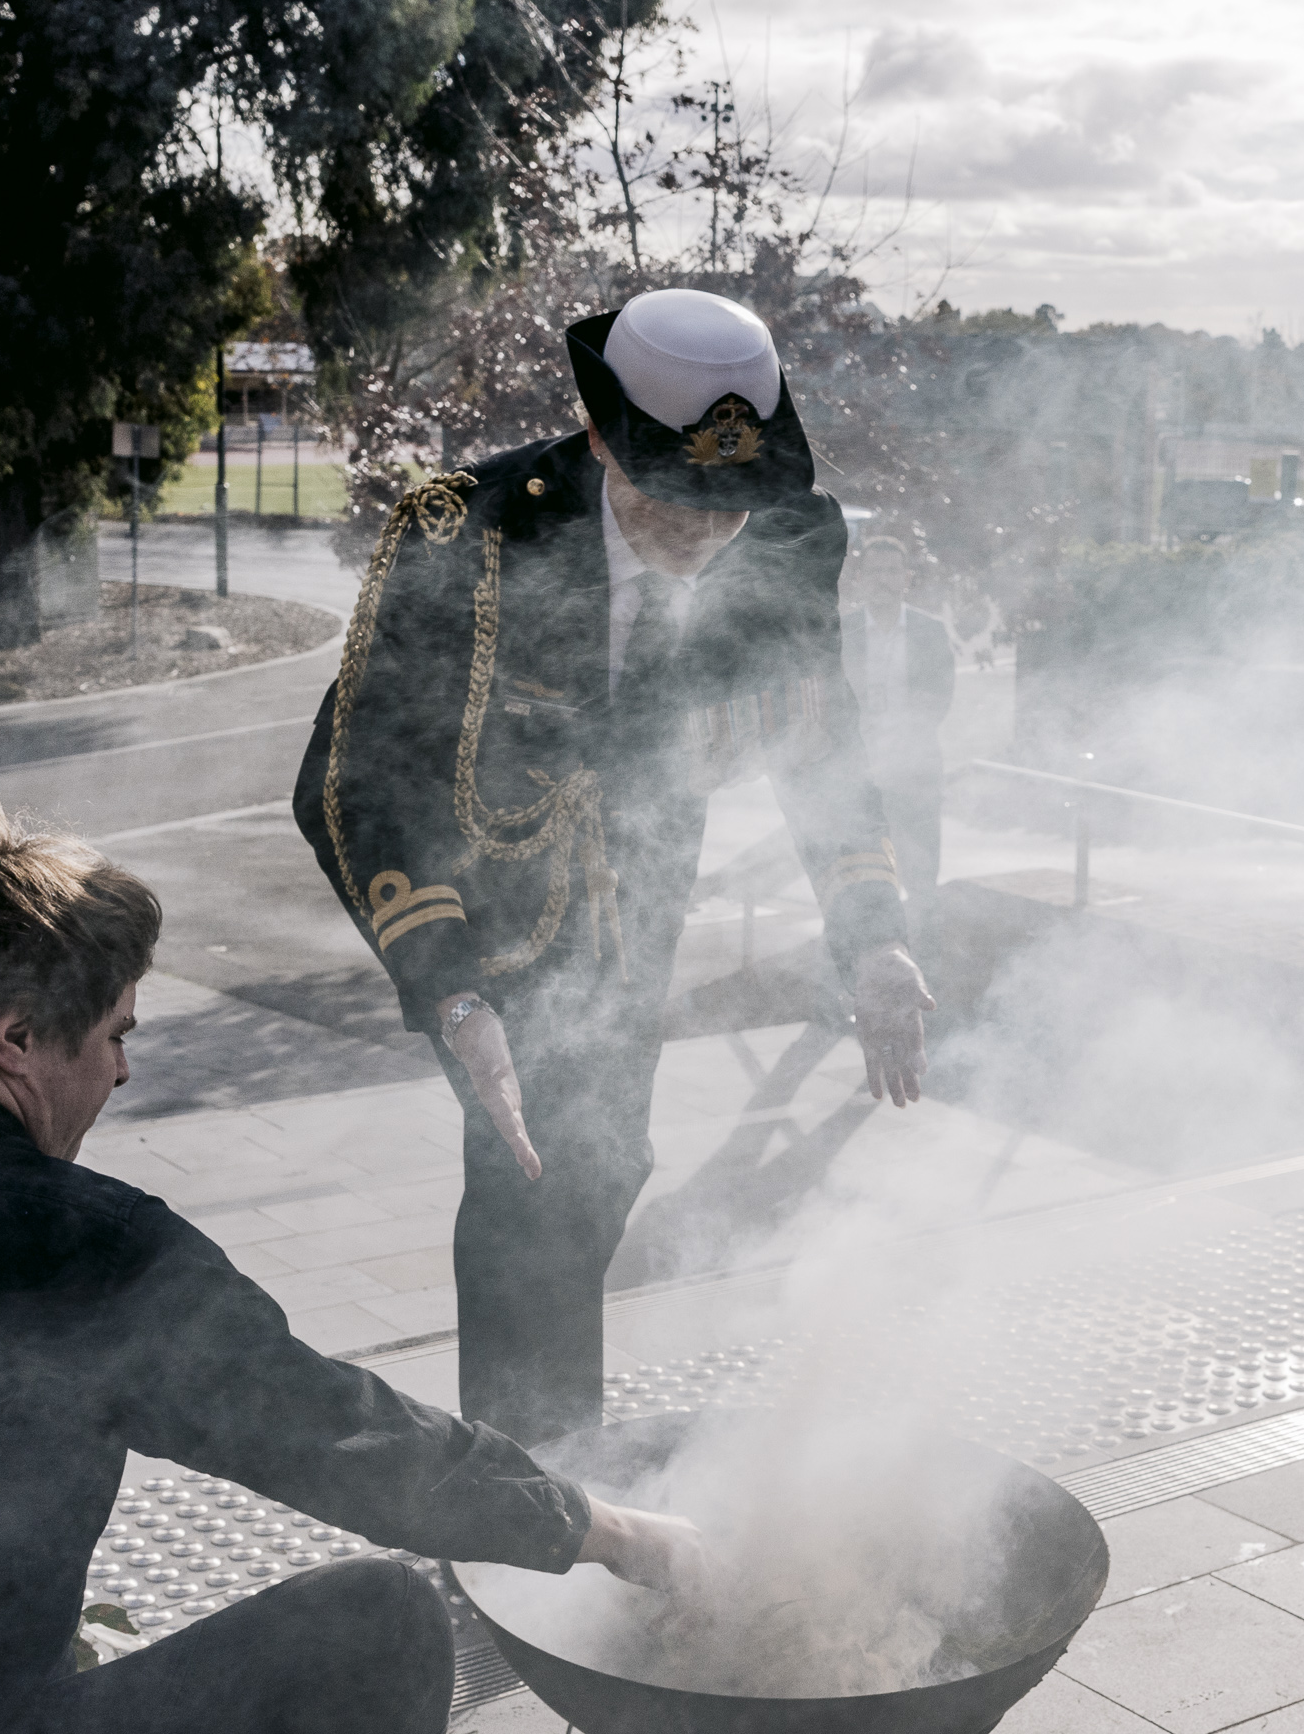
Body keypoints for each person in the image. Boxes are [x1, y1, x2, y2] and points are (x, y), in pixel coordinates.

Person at [0, 805, 698, 1734]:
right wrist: (611, 1530)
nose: (124, 1071)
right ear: (16, 1039)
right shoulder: (70, 1247)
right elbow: (347, 1437)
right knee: (378, 1623)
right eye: (114, 1033)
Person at [294, 289, 933, 1446]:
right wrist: (453, 990)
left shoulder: (790, 538)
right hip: (481, 919)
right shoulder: (462, 535)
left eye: (729, 504)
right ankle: (534, 1491)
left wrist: (873, 933)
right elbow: (352, 778)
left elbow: (820, 745)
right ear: (599, 438)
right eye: (675, 497)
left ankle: (546, 1467)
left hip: (636, 917)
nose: (703, 534)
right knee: (535, 1192)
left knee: (606, 1169)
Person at [840, 531, 956, 950]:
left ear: (907, 578)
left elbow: (939, 700)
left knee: (922, 876)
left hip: (915, 773)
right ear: (861, 578)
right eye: (875, 571)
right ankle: (861, 959)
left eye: (892, 571)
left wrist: (897, 739)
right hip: (859, 775)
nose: (884, 579)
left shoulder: (929, 631)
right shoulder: (843, 631)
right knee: (859, 876)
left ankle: (925, 956)